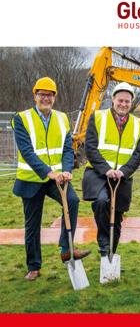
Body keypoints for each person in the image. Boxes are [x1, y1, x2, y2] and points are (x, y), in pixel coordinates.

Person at [12, 77, 90, 280]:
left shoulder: (62, 118)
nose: (45, 98)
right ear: (35, 96)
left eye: (49, 94)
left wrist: (65, 170)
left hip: (57, 178)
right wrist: (49, 172)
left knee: (72, 201)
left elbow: (66, 149)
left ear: (54, 97)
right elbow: (27, 152)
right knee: (32, 224)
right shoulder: (21, 119)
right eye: (42, 94)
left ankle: (66, 248)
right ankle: (34, 266)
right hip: (31, 179)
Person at [82, 82, 140, 257]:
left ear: (131, 103)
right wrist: (106, 169)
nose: (123, 104)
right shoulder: (97, 117)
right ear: (113, 99)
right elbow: (90, 148)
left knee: (116, 218)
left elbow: (139, 153)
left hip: (122, 177)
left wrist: (124, 171)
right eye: (120, 100)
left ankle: (110, 255)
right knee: (102, 202)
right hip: (98, 173)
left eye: (127, 101)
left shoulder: (139, 124)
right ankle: (103, 242)